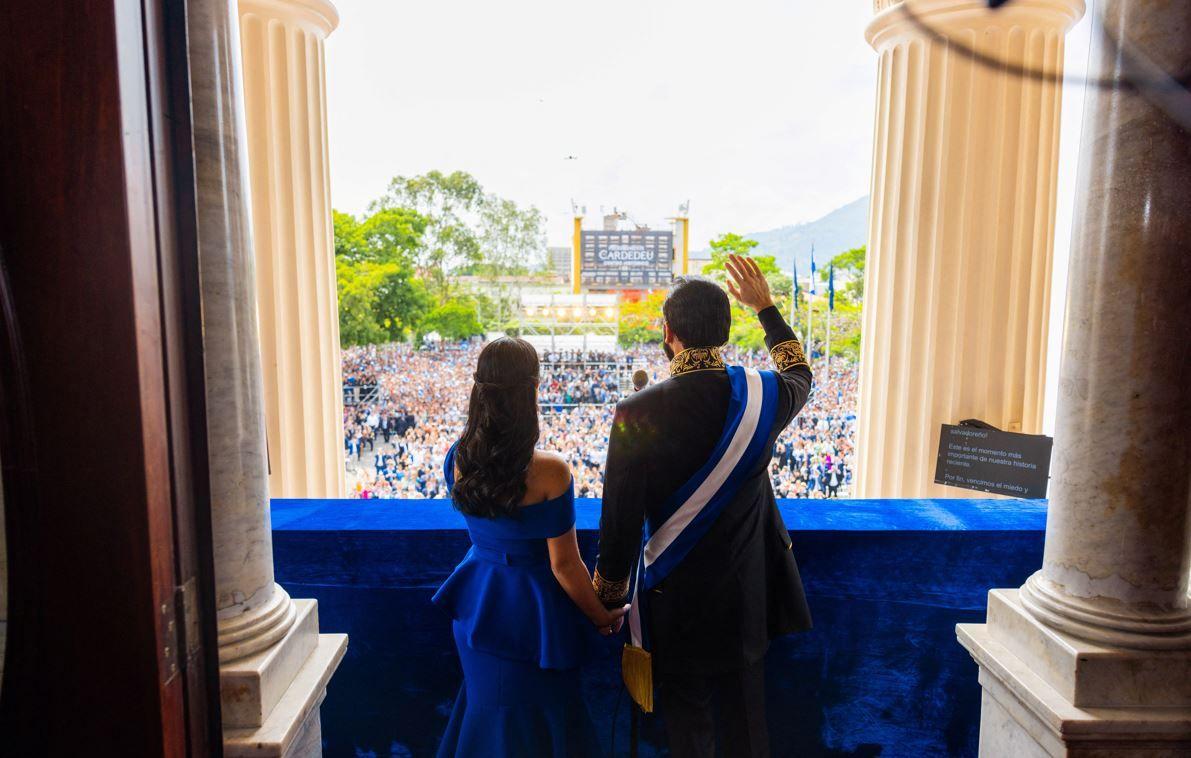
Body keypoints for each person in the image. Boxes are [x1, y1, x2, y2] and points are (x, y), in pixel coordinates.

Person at [593, 258, 814, 757]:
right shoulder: (766, 394)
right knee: (748, 730)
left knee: (688, 733)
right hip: (747, 594)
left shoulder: (636, 410)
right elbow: (799, 371)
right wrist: (768, 309)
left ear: (667, 332)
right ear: (726, 329)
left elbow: (620, 518)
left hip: (676, 598)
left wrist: (607, 595)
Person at [432, 337, 627, 758]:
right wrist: (602, 616)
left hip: (478, 598)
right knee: (540, 721)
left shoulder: (458, 457)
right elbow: (565, 564)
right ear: (532, 390)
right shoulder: (550, 471)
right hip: (534, 613)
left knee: (491, 713)